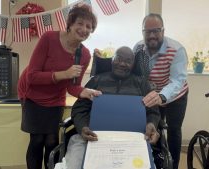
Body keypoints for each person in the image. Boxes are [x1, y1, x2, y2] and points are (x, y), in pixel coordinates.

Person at [94, 13, 189, 169]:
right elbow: (127, 65)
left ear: (163, 31)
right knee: (153, 126)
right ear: (143, 32)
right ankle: (154, 160)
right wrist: (102, 60)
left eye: (156, 31)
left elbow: (178, 81)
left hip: (174, 96)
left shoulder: (176, 50)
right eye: (147, 31)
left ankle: (173, 165)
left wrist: (162, 96)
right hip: (150, 94)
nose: (152, 35)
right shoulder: (138, 47)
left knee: (173, 130)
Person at [17, 3, 101, 169]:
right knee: (37, 139)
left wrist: (85, 91)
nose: (84, 29)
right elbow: (32, 76)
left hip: (55, 98)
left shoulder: (84, 54)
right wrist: (64, 74)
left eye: (89, 26)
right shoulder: (49, 38)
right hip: (32, 93)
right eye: (80, 23)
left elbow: (72, 87)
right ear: (70, 23)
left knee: (51, 140)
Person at [65, 46, 161, 169]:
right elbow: (80, 109)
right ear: (112, 60)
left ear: (133, 65)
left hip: (132, 140)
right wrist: (83, 127)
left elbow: (153, 111)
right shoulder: (97, 80)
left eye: (128, 61)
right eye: (118, 59)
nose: (122, 64)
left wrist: (152, 123)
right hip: (93, 137)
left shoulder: (141, 84)